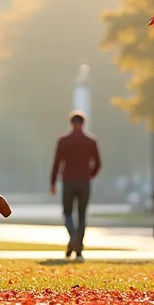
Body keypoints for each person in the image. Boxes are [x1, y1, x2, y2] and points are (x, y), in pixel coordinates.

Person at [49, 110, 102, 262]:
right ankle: (79, 249)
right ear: (83, 123)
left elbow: (57, 163)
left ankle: (73, 237)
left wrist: (53, 183)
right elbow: (98, 163)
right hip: (84, 181)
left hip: (68, 181)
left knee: (67, 212)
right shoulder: (91, 141)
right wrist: (90, 175)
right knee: (82, 214)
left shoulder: (63, 140)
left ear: (71, 123)